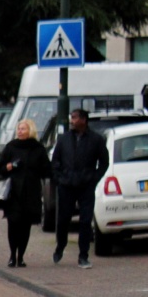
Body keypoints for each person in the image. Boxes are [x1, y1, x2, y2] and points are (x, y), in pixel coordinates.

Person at [50, 108, 109, 268]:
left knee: (85, 221)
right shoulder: (64, 139)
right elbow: (55, 161)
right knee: (63, 220)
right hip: (66, 185)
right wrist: (60, 178)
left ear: (83, 120)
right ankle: (60, 246)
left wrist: (94, 179)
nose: (72, 120)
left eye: (74, 118)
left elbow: (104, 163)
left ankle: (83, 255)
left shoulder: (96, 139)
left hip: (86, 186)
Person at [0, 118, 52, 268]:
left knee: (26, 226)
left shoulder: (38, 149)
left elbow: (46, 169)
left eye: (23, 129)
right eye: (18, 129)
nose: (20, 131)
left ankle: (21, 256)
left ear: (30, 131)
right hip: (13, 192)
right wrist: (9, 166)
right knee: (13, 223)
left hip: (31, 192)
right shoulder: (11, 147)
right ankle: (12, 255)